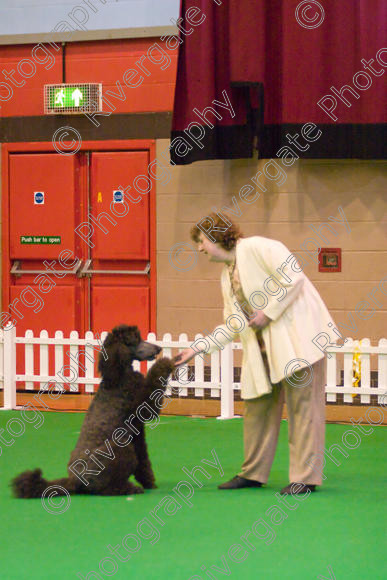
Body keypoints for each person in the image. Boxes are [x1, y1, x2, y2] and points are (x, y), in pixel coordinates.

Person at [174, 213, 336, 494]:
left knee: (304, 410)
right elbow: (232, 325)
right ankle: (253, 473)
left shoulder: (260, 247)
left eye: (201, 241)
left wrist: (269, 312)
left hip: (300, 342)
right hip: (265, 351)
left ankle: (305, 478)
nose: (199, 248)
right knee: (257, 407)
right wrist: (197, 348)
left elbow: (293, 276)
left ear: (215, 237)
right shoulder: (227, 274)